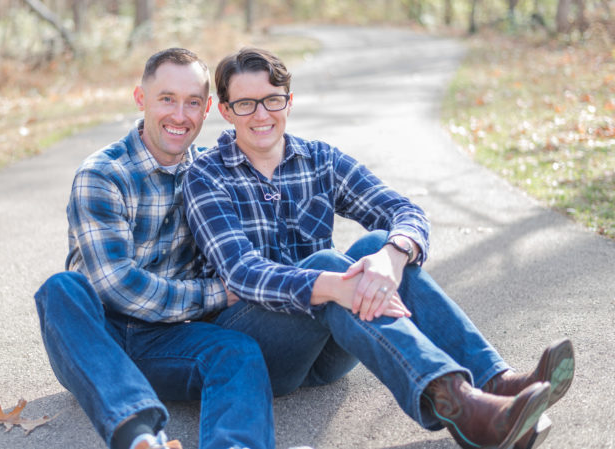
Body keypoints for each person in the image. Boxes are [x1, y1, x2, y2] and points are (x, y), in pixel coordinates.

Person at [183, 47, 576, 449]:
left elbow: (404, 211)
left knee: (376, 243)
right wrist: (333, 283)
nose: (262, 115)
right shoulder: (206, 175)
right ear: (227, 112)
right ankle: (460, 407)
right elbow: (243, 272)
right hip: (263, 348)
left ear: (289, 100)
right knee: (327, 264)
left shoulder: (319, 159)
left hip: (330, 349)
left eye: (272, 100)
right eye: (246, 104)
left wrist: (392, 257)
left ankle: (496, 382)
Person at [34, 48, 283, 449]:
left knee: (237, 349)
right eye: (167, 99)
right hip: (97, 338)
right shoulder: (103, 174)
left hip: (167, 339)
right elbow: (118, 285)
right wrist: (219, 292)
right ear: (141, 99)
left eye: (192, 103)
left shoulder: (209, 176)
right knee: (62, 288)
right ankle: (139, 438)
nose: (179, 116)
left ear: (207, 111)